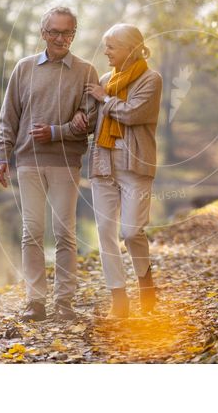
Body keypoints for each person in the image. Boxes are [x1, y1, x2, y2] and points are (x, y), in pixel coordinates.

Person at [0, 6, 99, 322]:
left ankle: (64, 302)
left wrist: (60, 131)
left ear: (73, 35)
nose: (60, 38)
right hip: (27, 162)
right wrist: (2, 155)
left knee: (65, 233)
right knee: (32, 233)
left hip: (66, 163)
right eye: (54, 31)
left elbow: (90, 120)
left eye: (67, 32)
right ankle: (35, 302)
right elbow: (8, 116)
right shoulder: (24, 68)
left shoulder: (85, 71)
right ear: (43, 33)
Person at [81, 23, 162, 318]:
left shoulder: (151, 79)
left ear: (131, 48)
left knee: (130, 232)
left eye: (112, 47)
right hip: (103, 165)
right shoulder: (104, 79)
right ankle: (118, 297)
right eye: (106, 46)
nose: (106, 52)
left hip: (135, 167)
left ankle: (145, 282)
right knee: (104, 231)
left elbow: (134, 113)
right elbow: (94, 120)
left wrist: (104, 98)